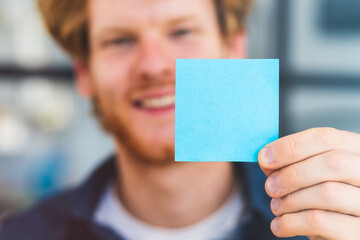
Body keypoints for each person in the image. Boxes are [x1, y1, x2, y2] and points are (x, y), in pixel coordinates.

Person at [1, 0, 360, 239]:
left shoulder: (327, 222)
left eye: (181, 32)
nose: (155, 65)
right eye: (120, 40)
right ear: (84, 73)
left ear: (233, 50)